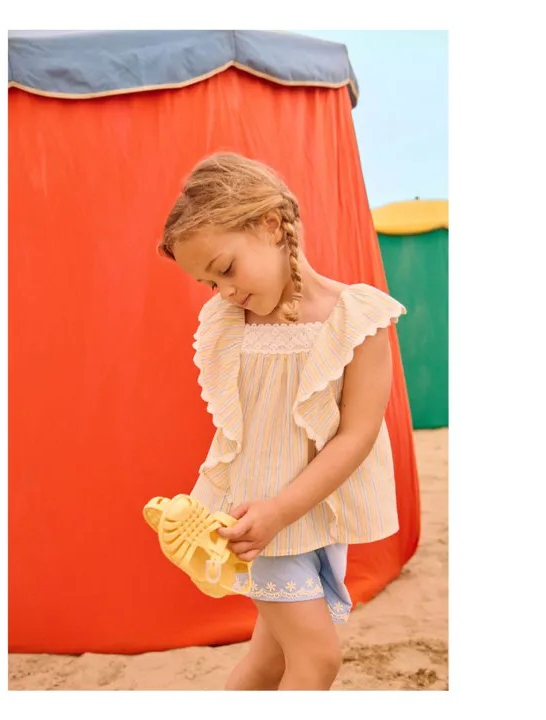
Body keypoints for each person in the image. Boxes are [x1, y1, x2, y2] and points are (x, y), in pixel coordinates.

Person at [157, 152, 406, 691]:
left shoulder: (358, 317)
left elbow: (358, 434)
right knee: (317, 660)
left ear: (271, 225)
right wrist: (267, 513)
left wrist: (285, 510)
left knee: (269, 663)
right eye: (209, 283)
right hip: (260, 522)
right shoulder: (231, 323)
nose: (224, 291)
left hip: (319, 515)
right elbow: (237, 438)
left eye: (225, 269)